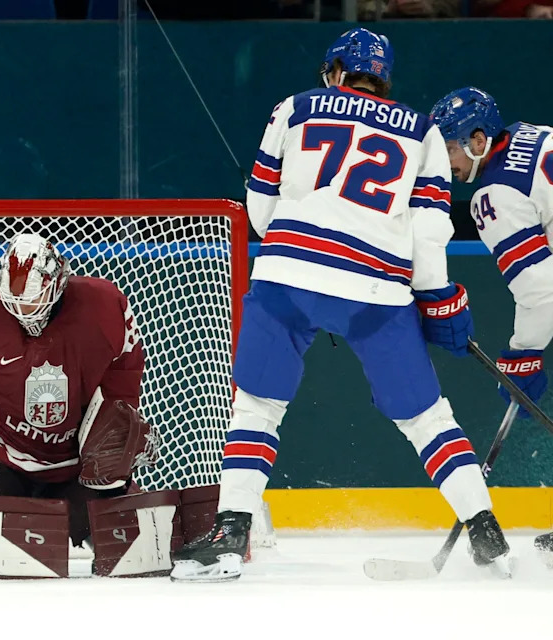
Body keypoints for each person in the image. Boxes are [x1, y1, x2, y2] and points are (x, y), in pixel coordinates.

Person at [171, 28, 509, 582]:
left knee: (257, 407)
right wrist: (440, 298)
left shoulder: (293, 108)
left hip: (288, 276)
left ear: (333, 71)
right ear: (384, 79)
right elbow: (427, 229)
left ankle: (231, 532)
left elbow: (260, 207)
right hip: (376, 290)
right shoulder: (423, 130)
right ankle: (484, 527)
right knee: (427, 417)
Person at [0, 232, 151, 547]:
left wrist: (115, 430)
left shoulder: (105, 307)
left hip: (76, 464)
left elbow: (124, 376)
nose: (23, 310)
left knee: (116, 545)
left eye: (32, 299)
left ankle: (120, 496)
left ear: (58, 282)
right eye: (15, 300)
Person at [430, 87, 553, 555]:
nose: (445, 165)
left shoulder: (494, 192)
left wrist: (523, 353)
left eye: (450, 149)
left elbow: (540, 290)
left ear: (479, 139)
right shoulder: (529, 134)